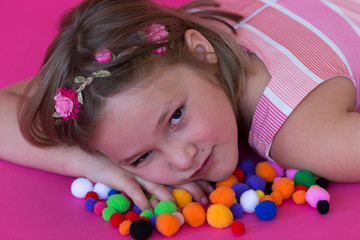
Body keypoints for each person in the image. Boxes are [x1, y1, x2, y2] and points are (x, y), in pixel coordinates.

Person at [0, 0, 359, 211]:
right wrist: (97, 164)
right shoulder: (200, 20)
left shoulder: (299, 131)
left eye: (176, 117)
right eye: (141, 157)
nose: (182, 161)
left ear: (201, 50)